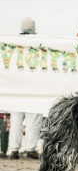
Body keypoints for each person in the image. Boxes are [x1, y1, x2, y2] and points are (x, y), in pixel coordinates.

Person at [8, 17, 44, 160]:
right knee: (33, 121)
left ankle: (14, 149)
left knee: (15, 121)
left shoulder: (13, 43)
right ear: (34, 27)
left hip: (15, 88)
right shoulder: (39, 43)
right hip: (33, 87)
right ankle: (30, 148)